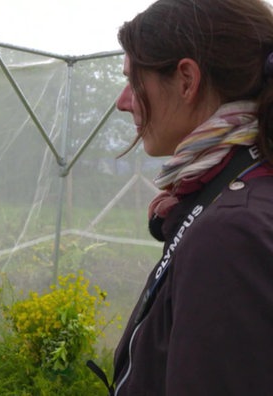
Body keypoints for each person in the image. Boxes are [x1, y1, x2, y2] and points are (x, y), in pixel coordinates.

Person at [105, 0, 273, 394]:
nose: (123, 101)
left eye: (134, 81)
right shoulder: (239, 191)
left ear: (185, 80)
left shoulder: (232, 231)